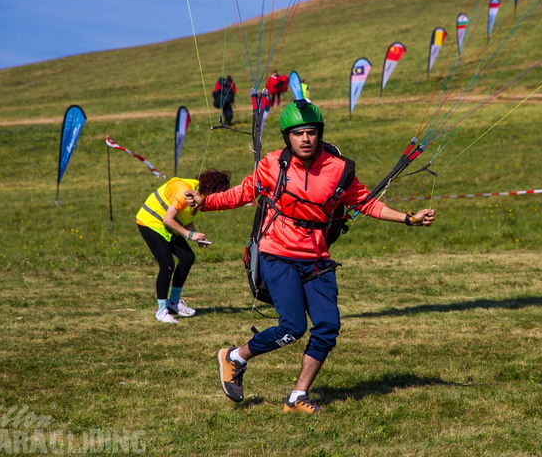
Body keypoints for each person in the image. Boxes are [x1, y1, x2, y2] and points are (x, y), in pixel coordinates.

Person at [188, 100, 436, 413]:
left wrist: (408, 218)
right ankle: (235, 357)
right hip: (277, 253)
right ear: (287, 138)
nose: (305, 139)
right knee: (292, 326)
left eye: (310, 132)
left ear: (319, 134)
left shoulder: (339, 169)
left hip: (317, 257)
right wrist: (205, 202)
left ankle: (297, 397)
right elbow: (243, 193)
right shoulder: (273, 164)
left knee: (328, 326)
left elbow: (366, 203)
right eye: (298, 133)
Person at [136, 170, 230, 324]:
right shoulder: (184, 191)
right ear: (212, 189)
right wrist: (189, 235)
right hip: (150, 222)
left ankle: (173, 303)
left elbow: (186, 220)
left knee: (187, 257)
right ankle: (161, 311)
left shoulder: (200, 198)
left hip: (168, 225)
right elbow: (168, 219)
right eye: (219, 194)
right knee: (167, 265)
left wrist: (196, 235)